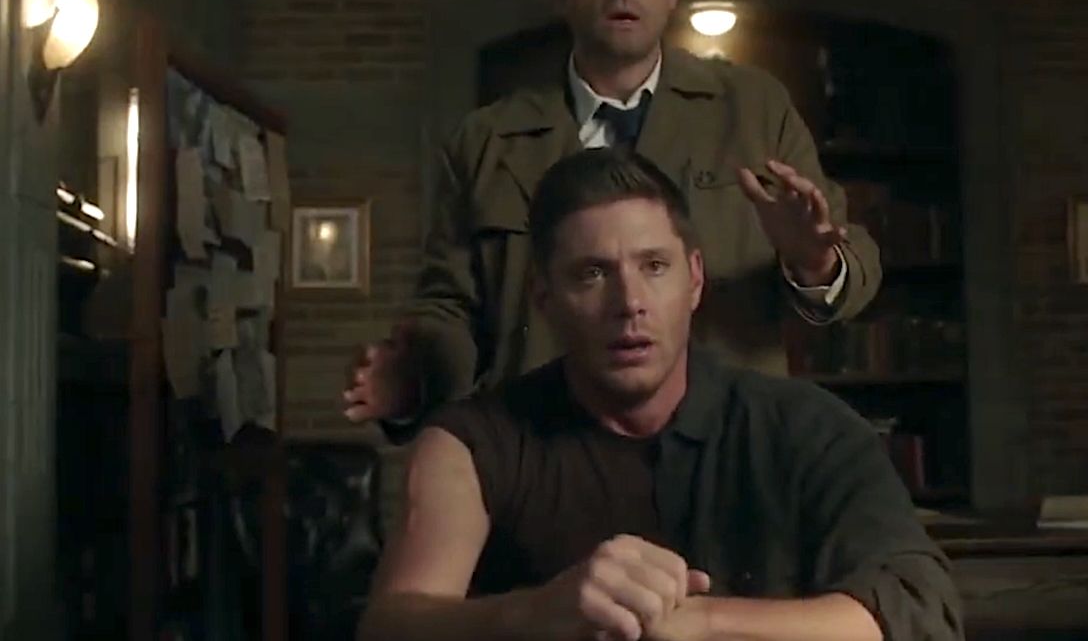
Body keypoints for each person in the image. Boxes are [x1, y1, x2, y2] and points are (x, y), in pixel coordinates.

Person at [343, 0, 883, 441]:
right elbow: (450, 310)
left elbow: (856, 265)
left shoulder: (752, 110)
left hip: (720, 449)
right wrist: (414, 379)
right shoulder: (487, 141)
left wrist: (813, 262)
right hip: (543, 453)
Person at [358, 149, 961, 641]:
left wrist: (702, 624)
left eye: (654, 267)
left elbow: (918, 610)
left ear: (694, 279)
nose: (629, 304)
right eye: (592, 273)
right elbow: (390, 625)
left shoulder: (808, 429)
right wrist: (538, 613)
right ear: (543, 297)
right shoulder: (472, 443)